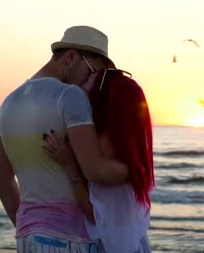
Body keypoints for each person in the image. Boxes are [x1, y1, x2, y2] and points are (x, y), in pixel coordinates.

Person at [0, 25, 129, 252]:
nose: (92, 82)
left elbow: (2, 181)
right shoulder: (69, 96)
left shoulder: (7, 103)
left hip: (28, 238)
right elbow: (94, 170)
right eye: (91, 71)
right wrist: (136, 170)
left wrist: (31, 227)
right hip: (72, 239)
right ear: (71, 57)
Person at [42, 67, 155, 252]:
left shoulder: (105, 145)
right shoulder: (122, 141)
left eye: (92, 78)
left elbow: (96, 216)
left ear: (104, 95)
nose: (86, 77)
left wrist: (70, 165)